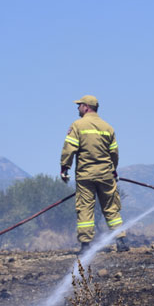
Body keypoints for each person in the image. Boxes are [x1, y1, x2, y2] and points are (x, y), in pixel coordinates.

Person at [61, 95, 129, 253]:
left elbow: (69, 149)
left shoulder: (77, 125)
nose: (77, 108)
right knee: (112, 208)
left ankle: (85, 245)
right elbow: (114, 153)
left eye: (79, 105)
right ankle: (121, 241)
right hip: (106, 175)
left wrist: (64, 168)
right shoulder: (108, 127)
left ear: (86, 107)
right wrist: (113, 169)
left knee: (85, 208)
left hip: (86, 176)